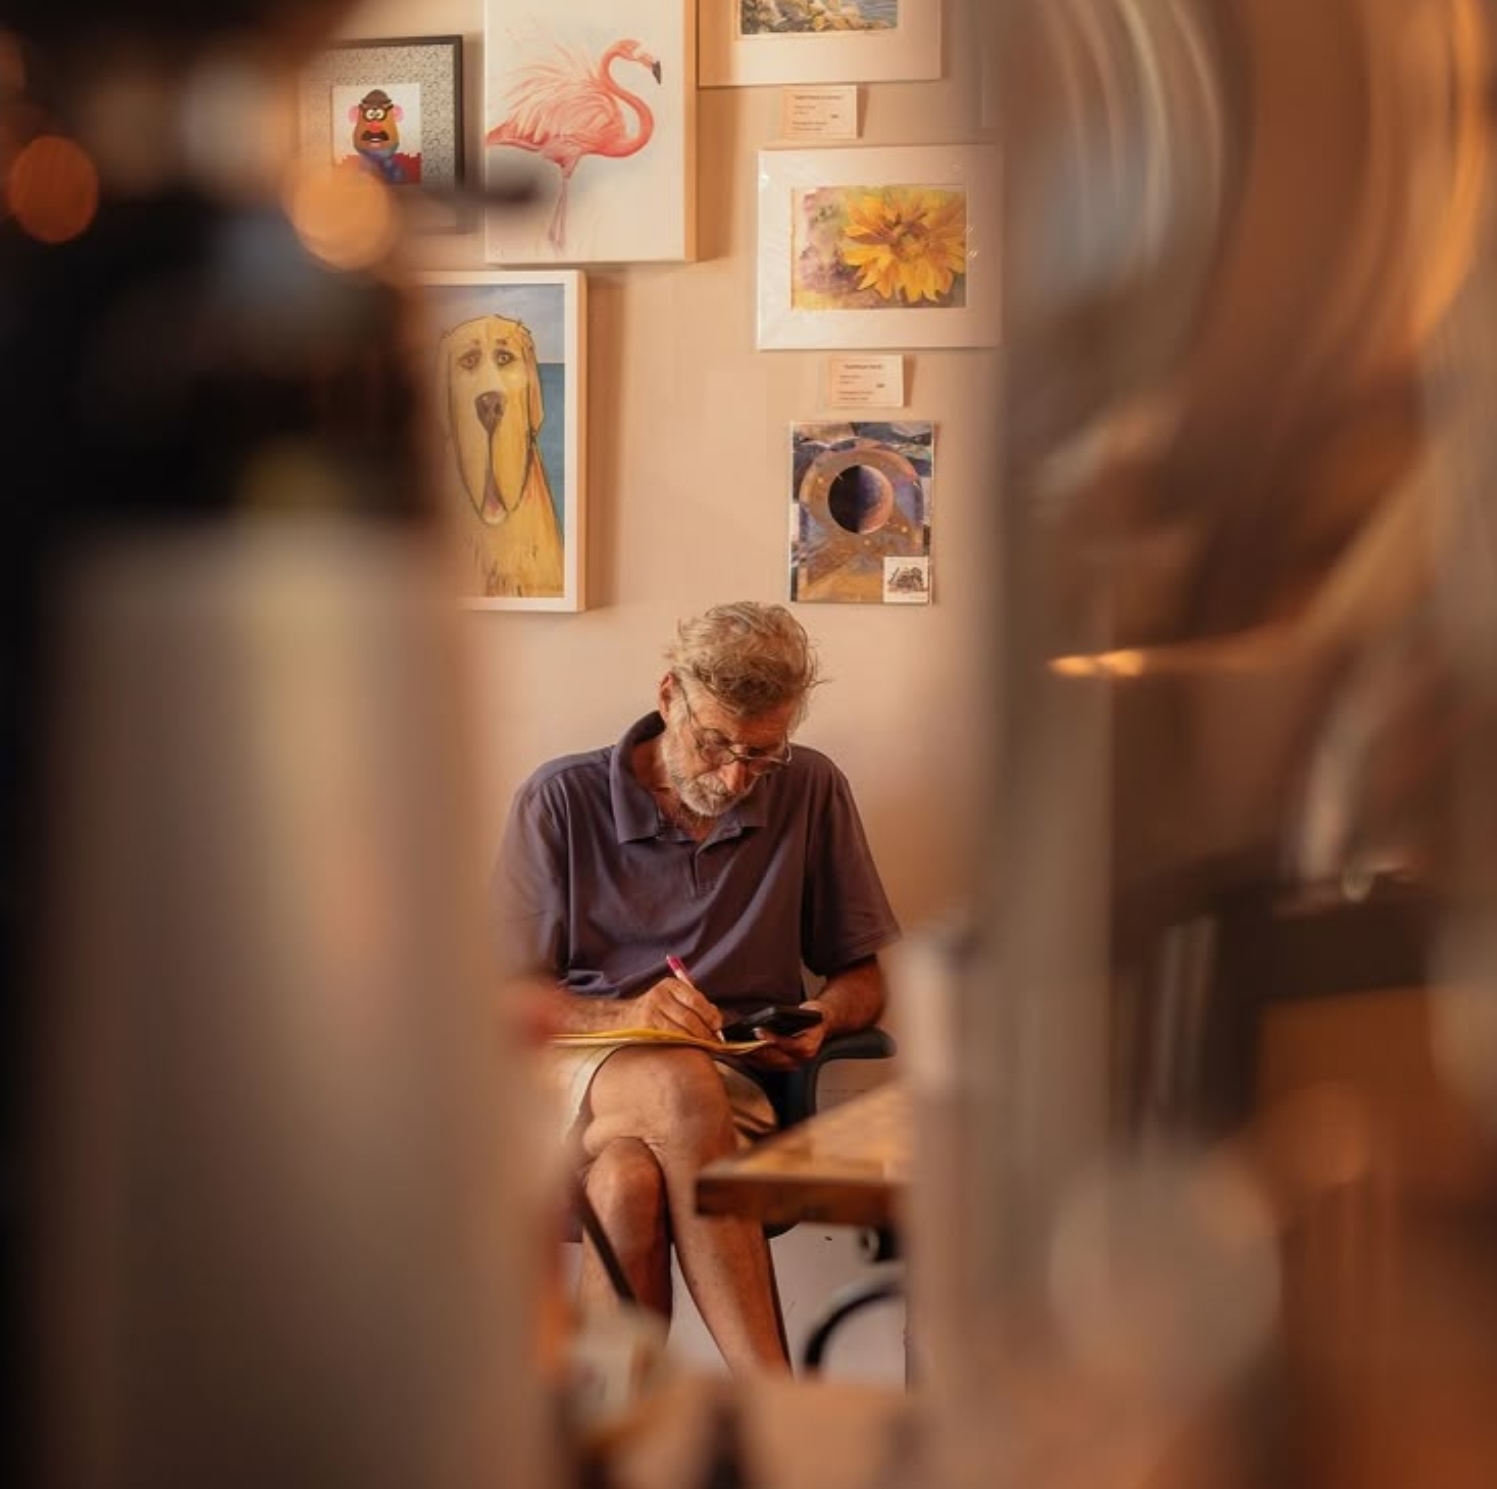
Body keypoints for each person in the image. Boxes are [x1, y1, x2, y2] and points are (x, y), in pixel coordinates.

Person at [493, 601, 900, 1372]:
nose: (735, 775)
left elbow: (862, 978)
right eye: (714, 743)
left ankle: (614, 1442)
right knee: (677, 1086)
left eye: (761, 753)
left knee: (627, 1183)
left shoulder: (810, 788)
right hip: (576, 1076)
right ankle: (774, 1398)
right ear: (667, 695)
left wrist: (819, 1016)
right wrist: (627, 1013)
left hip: (731, 1089)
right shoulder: (559, 799)